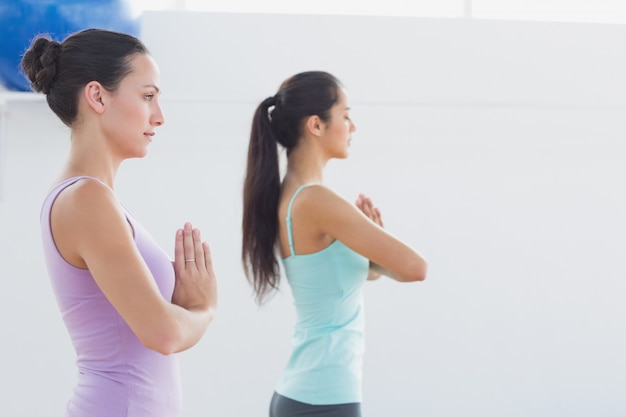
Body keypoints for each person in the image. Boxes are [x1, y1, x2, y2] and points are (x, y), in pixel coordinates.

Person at [21, 29, 218, 417]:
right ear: (97, 96)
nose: (159, 117)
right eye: (148, 96)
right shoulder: (85, 200)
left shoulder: (89, 198)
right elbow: (162, 333)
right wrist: (203, 309)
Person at [241, 71, 428, 417]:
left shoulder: (298, 195)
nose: (352, 127)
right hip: (322, 399)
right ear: (316, 124)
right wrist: (376, 242)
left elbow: (368, 274)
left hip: (311, 394)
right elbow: (416, 268)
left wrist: (372, 250)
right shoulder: (315, 200)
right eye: (345, 115)